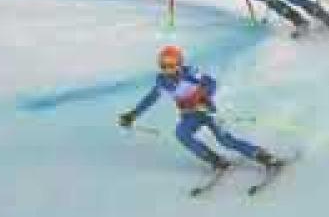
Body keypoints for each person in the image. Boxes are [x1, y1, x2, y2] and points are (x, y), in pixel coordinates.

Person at [118, 45, 282, 172]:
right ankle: (215, 160)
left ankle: (262, 156)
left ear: (179, 64)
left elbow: (212, 83)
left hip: (207, 111)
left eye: (171, 65)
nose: (167, 69)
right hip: (190, 116)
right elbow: (150, 99)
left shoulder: (190, 73)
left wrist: (204, 98)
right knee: (181, 134)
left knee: (225, 140)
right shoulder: (163, 81)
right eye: (163, 65)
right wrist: (132, 115)